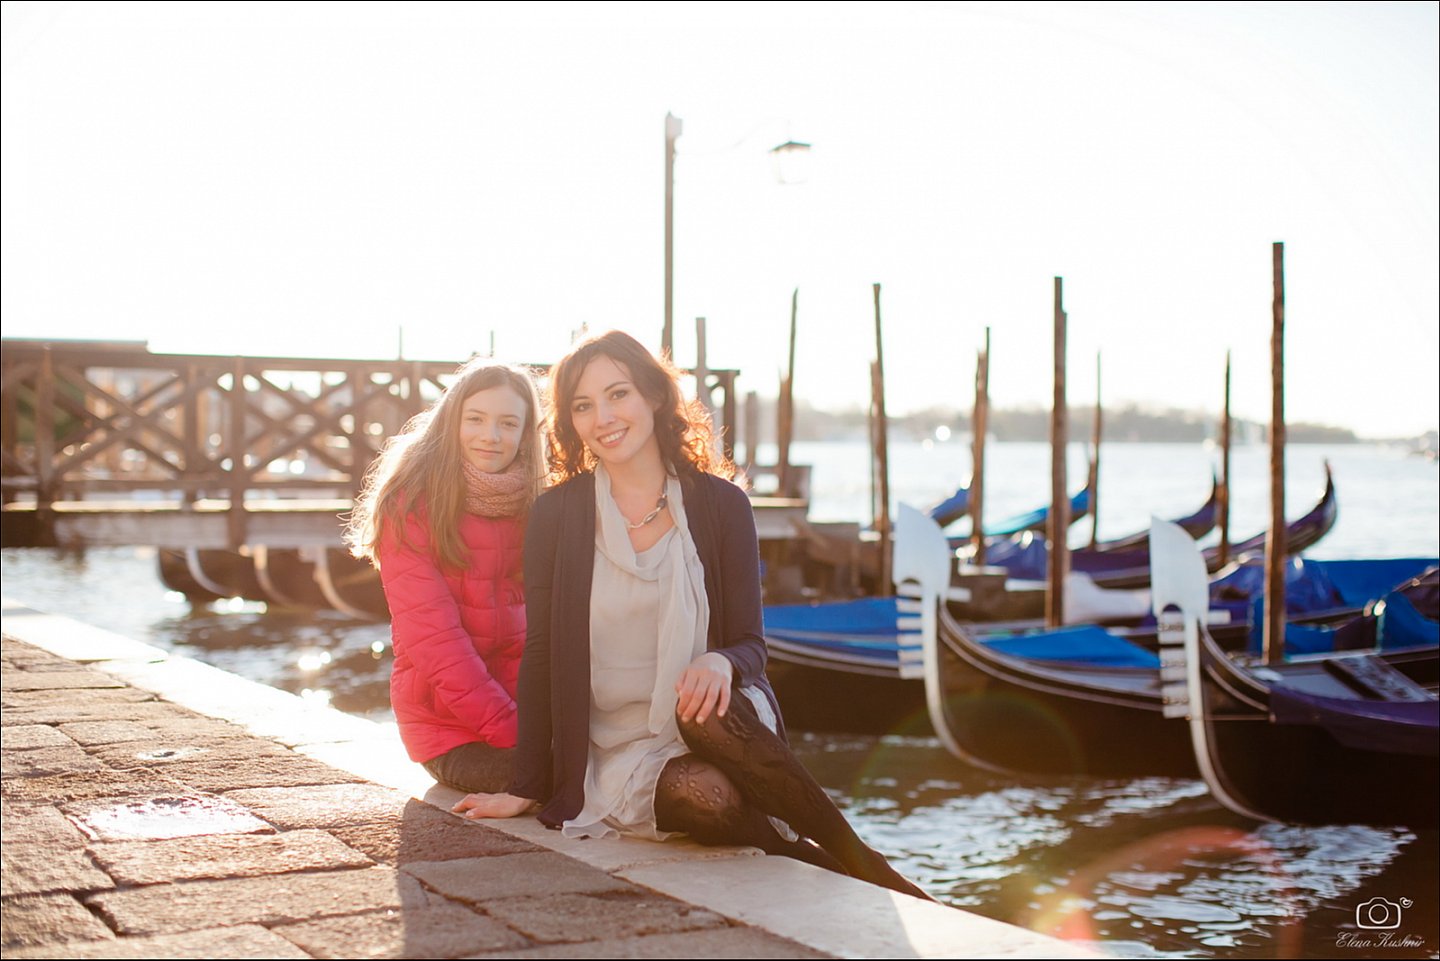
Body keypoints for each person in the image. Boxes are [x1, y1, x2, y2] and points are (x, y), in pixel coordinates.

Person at [453, 330, 927, 899]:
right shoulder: (557, 514)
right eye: (583, 405)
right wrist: (526, 785)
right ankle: (818, 858)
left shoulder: (722, 504)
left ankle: (869, 867)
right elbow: (542, 651)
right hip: (619, 742)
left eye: (618, 394)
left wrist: (722, 661)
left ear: (655, 396)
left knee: (701, 710)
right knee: (712, 797)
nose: (603, 418)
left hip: (718, 715)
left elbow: (751, 644)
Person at [346, 357, 544, 794]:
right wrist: (518, 735)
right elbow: (436, 642)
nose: (491, 436)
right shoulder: (412, 505)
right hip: (450, 731)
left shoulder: (538, 502)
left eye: (508, 423)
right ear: (452, 420)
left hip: (530, 719)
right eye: (476, 419)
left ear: (527, 433)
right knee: (572, 782)